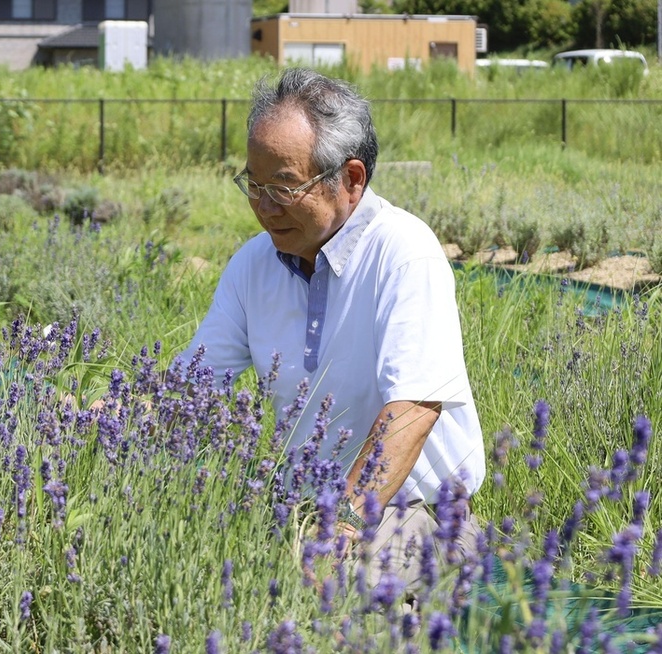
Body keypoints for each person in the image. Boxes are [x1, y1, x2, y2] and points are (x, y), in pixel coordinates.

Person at [179, 68, 486, 588]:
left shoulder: (403, 252)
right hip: (299, 506)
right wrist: (115, 412)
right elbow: (190, 389)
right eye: (253, 185)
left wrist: (340, 526)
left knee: (335, 597)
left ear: (351, 180)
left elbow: (413, 408)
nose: (263, 206)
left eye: (283, 187)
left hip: (411, 512)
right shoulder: (252, 264)